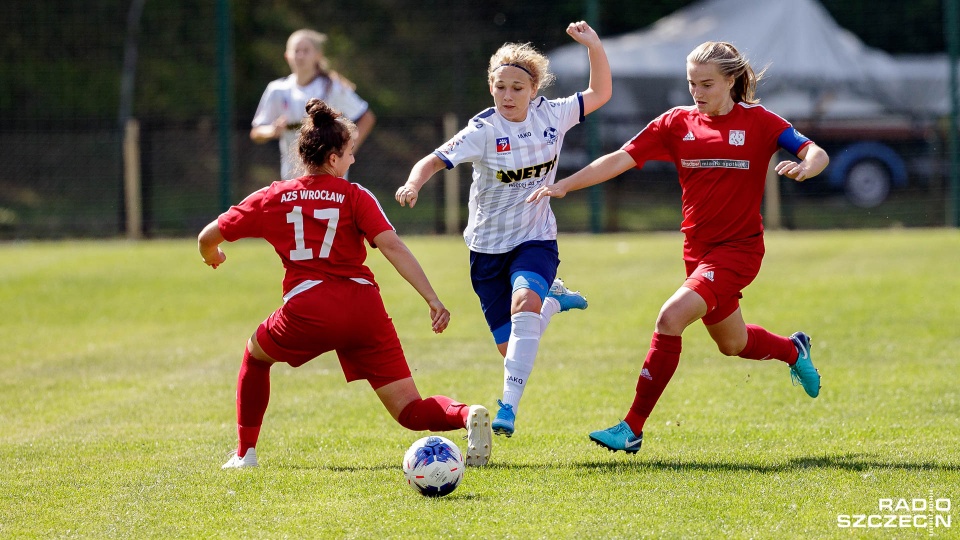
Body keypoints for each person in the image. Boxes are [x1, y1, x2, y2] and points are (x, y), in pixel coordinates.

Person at [528, 41, 829, 453]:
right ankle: (793, 350)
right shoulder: (676, 123)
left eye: (706, 84)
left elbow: (814, 151)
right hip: (696, 252)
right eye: (691, 83)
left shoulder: (760, 122)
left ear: (731, 81)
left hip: (739, 251)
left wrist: (807, 167)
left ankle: (631, 428)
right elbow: (620, 158)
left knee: (670, 318)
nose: (697, 92)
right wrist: (565, 184)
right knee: (733, 344)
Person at [200, 98, 492, 469]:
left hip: (310, 308)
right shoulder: (355, 196)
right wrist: (432, 299)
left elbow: (208, 236)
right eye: (350, 153)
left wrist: (212, 255)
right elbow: (393, 247)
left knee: (255, 357)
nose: (353, 160)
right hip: (363, 307)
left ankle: (245, 454)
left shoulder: (273, 195)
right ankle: (466, 415)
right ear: (333, 158)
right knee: (409, 411)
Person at [394, 22, 612, 438]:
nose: (508, 95)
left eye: (517, 87)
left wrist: (594, 46)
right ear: (491, 87)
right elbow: (434, 160)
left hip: (535, 238)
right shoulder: (484, 131)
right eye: (500, 87)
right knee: (509, 344)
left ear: (533, 89)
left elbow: (600, 93)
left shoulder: (553, 114)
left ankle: (507, 407)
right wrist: (413, 182)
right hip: (486, 249)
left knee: (523, 305)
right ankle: (554, 302)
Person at [250, 29, 376, 180]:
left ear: (318, 55)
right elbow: (256, 132)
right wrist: (272, 131)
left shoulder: (332, 87)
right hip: (293, 179)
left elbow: (366, 117)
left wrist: (347, 151)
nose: (300, 55)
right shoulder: (277, 89)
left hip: (331, 178)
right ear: (287, 55)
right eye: (296, 51)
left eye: (306, 50)